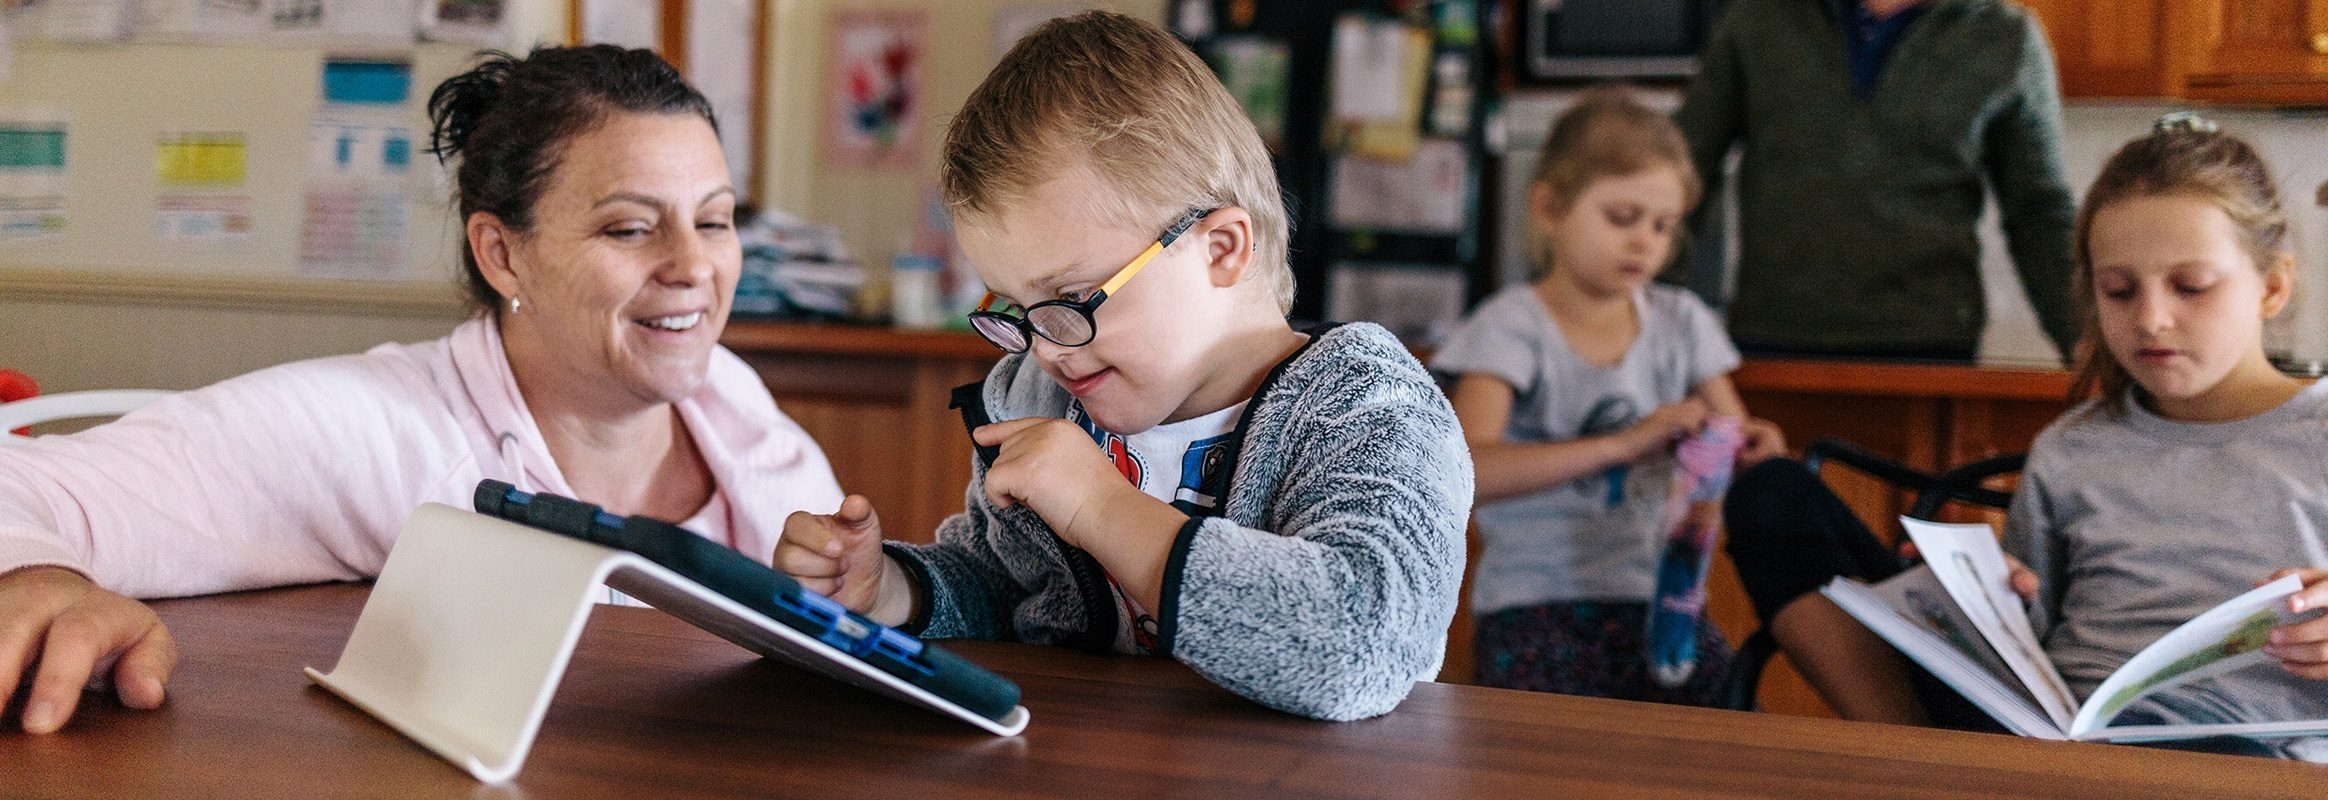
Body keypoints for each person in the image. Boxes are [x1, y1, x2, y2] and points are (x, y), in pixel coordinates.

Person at [0, 45, 844, 735]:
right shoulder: (374, 427)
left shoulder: (751, 431)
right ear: (503, 254)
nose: (695, 268)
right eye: (630, 227)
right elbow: (20, 486)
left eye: (715, 219)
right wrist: (35, 578)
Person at [772, 11, 1471, 722]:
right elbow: (1005, 589)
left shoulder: (1364, 405)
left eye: (1071, 299)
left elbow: (1364, 642)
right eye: (1018, 307)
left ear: (1221, 249)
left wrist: (1102, 508)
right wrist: (889, 591)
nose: (1045, 346)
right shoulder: (1040, 397)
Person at [1724, 117, 2328, 760]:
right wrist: (1983, 601)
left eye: (2191, 286)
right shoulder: (2072, 448)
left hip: (2235, 756)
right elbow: (2028, 647)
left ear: (2272, 287)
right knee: (1773, 496)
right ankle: (1921, 763)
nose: (2151, 318)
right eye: (2118, 291)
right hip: (2048, 740)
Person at [1430, 87, 1783, 704]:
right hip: (1534, 605)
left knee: (1732, 728)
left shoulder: (1683, 323)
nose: (1645, 241)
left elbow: (1737, 447)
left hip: (1662, 600)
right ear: (1550, 206)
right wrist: (1622, 445)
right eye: (1622, 218)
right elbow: (1463, 470)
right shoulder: (1510, 326)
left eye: (1663, 226)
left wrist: (1757, 447)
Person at [1674, 0, 2079, 362]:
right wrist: (1642, 320)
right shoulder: (1758, 20)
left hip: (1929, 344)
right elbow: (1680, 176)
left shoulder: (2007, 37)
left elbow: (2040, 214)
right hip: (1773, 334)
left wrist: (2087, 345)